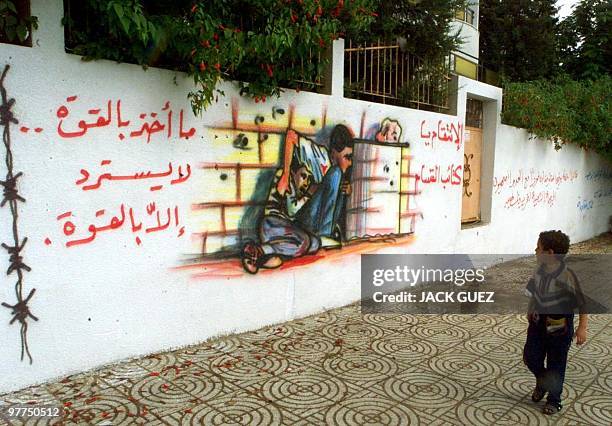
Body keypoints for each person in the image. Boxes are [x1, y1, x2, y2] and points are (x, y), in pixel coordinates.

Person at [242, 125, 354, 273]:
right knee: (310, 241)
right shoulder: (312, 162)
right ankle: (323, 238)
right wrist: (286, 175)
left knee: (309, 243)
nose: (350, 163)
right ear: (334, 153)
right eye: (347, 157)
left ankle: (263, 251)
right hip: (273, 225)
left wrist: (345, 192)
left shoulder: (308, 178)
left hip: (292, 230)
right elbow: (291, 210)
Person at [523, 230, 588, 415]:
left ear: (550, 254)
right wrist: (530, 309)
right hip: (537, 324)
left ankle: (554, 399)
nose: (535, 251)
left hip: (559, 327)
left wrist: (582, 327)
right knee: (530, 356)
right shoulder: (538, 271)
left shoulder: (567, 277)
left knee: (556, 364)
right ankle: (543, 381)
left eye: (539, 248)